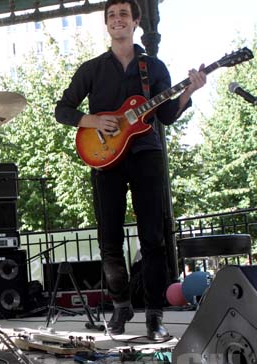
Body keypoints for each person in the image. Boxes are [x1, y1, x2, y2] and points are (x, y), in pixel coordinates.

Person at [54, 0, 206, 340]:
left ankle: (155, 315)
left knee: (153, 237)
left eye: (124, 14)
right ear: (106, 25)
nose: (117, 20)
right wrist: (93, 120)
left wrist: (189, 91)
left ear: (136, 21)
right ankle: (121, 307)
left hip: (146, 155)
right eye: (111, 15)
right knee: (109, 238)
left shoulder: (153, 67)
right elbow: (62, 110)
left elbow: (165, 116)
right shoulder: (91, 69)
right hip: (105, 158)